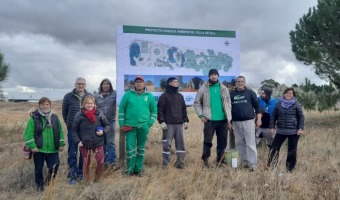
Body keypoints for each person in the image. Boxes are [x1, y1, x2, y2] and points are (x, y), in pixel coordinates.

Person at [118, 75, 157, 177]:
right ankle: (129, 170)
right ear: (134, 84)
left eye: (141, 81)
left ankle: (138, 169)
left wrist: (149, 124)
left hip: (143, 127)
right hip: (130, 127)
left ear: (144, 84)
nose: (139, 83)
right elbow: (122, 109)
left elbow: (154, 111)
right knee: (130, 148)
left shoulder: (149, 96)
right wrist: (122, 124)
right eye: (137, 82)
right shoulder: (128, 95)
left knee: (141, 148)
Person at [23, 97, 65, 191]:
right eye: (43, 104)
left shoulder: (55, 118)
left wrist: (61, 144)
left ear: (50, 105)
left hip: (53, 148)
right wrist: (33, 146)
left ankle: (49, 182)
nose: (45, 106)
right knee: (38, 168)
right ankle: (40, 186)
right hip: (39, 149)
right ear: (39, 105)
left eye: (47, 104)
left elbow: (60, 132)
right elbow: (28, 134)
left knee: (55, 166)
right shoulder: (34, 118)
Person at [194, 69, 232, 167]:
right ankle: (205, 161)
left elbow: (228, 104)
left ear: (218, 76)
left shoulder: (224, 88)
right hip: (209, 121)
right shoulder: (203, 88)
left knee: (222, 143)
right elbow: (197, 103)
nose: (213, 76)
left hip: (223, 121)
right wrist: (201, 116)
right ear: (209, 76)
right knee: (207, 142)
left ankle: (220, 161)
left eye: (215, 74)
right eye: (211, 75)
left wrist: (229, 119)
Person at [72, 96, 110, 183]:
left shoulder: (99, 113)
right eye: (87, 103)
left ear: (94, 104)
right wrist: (78, 141)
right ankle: (87, 181)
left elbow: (107, 125)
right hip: (84, 143)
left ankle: (97, 180)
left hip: (98, 142)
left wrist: (103, 131)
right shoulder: (79, 115)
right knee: (86, 164)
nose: (89, 105)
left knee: (101, 162)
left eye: (91, 103)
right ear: (84, 104)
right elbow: (74, 130)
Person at [62, 77, 92, 184]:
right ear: (75, 84)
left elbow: (94, 111)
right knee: (72, 152)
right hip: (72, 130)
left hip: (85, 130)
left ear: (85, 85)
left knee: (84, 153)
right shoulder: (68, 96)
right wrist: (70, 124)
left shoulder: (90, 96)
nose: (81, 86)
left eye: (82, 84)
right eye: (79, 84)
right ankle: (73, 175)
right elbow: (64, 112)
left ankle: (81, 173)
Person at [267, 87, 304, 172]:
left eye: (290, 93)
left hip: (293, 132)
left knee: (292, 151)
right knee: (274, 149)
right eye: (287, 93)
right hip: (280, 131)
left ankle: (290, 169)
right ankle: (272, 167)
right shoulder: (278, 104)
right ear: (284, 94)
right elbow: (273, 116)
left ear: (293, 95)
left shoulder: (296, 104)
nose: (288, 94)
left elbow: (301, 117)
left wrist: (300, 128)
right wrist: (271, 126)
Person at [229, 76, 261, 171]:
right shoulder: (231, 94)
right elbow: (228, 109)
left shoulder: (250, 93)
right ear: (236, 83)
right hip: (236, 122)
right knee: (239, 143)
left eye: (242, 81)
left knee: (250, 144)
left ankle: (252, 165)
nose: (240, 83)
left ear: (245, 82)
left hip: (248, 122)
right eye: (238, 81)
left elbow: (258, 107)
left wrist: (259, 119)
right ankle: (243, 162)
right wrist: (229, 122)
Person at [157, 77, 189, 169]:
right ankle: (165, 164)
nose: (177, 83)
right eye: (175, 82)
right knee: (167, 145)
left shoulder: (180, 96)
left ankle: (180, 163)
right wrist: (162, 121)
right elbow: (160, 110)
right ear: (170, 83)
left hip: (179, 124)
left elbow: (184, 109)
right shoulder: (164, 96)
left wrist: (186, 120)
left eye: (177, 82)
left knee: (180, 145)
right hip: (168, 125)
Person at [95, 78, 117, 167]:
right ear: (101, 85)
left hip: (111, 121)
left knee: (110, 142)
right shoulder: (96, 95)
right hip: (100, 123)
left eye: (108, 84)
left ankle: (112, 162)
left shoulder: (114, 94)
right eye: (104, 83)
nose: (106, 85)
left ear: (110, 85)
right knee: (101, 142)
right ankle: (103, 162)